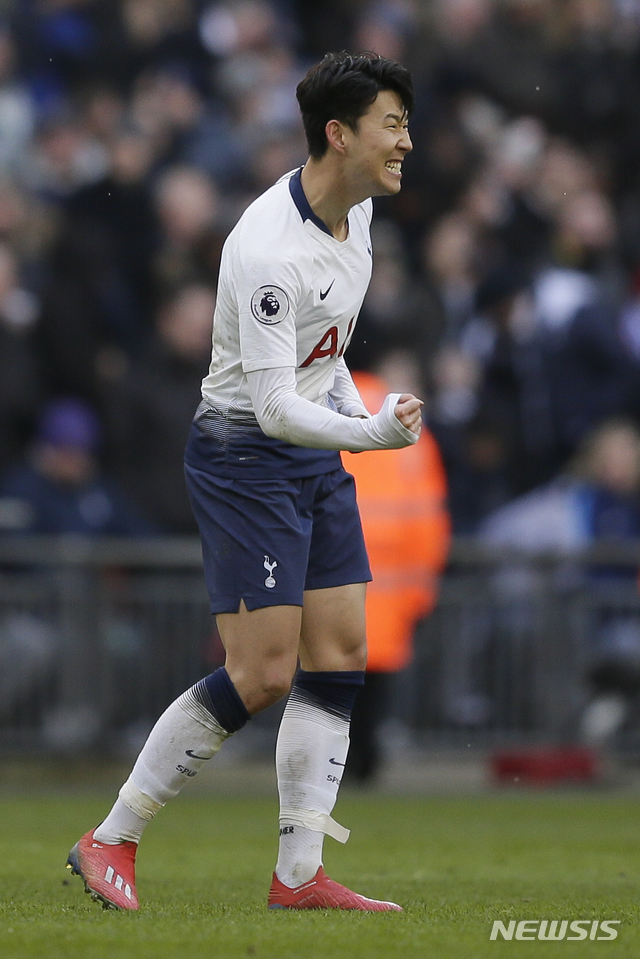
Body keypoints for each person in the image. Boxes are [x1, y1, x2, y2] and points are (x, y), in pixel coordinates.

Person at [67, 51, 420, 912]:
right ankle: (111, 834)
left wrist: (347, 409)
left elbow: (323, 357)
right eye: (393, 124)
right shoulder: (266, 249)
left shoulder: (359, 215)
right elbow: (267, 407)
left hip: (310, 444)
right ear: (340, 134)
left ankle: (298, 874)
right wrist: (370, 431)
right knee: (261, 674)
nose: (408, 141)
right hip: (243, 455)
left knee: (339, 652)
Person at [341, 355, 451, 782]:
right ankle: (363, 769)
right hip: (390, 586)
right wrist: (422, 590)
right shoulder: (411, 429)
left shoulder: (322, 408)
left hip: (327, 577)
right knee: (372, 690)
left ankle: (317, 775)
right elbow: (429, 520)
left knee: (321, 685)